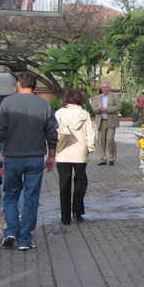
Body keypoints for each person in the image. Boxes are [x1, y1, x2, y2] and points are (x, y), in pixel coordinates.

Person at [0, 71, 57, 251]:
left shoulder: (8, 103)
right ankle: (25, 238)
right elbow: (52, 133)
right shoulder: (44, 105)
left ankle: (11, 230)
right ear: (35, 87)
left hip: (12, 157)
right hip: (35, 158)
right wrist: (52, 156)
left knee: (10, 194)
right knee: (31, 197)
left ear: (19, 85)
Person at [56, 89, 96, 224]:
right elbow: (90, 133)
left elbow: (54, 132)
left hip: (63, 153)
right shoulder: (84, 114)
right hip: (80, 152)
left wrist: (52, 150)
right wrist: (90, 147)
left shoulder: (59, 113)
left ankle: (65, 217)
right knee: (81, 181)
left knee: (64, 185)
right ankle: (77, 211)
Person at [92, 81, 120, 165]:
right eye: (103, 87)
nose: (104, 89)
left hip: (111, 121)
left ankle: (112, 158)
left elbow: (119, 106)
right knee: (101, 141)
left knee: (110, 139)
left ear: (109, 87)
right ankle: (103, 159)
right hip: (101, 121)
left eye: (106, 87)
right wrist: (98, 109)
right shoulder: (97, 97)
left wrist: (108, 109)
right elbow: (93, 108)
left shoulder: (115, 96)